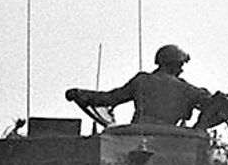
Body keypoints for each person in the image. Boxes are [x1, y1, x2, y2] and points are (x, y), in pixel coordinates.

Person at [65, 44, 211, 127]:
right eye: (180, 65)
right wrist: (199, 128)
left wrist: (80, 94)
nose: (181, 70)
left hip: (135, 136)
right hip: (169, 141)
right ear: (174, 64)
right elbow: (214, 105)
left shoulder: (142, 80)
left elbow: (110, 98)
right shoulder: (186, 89)